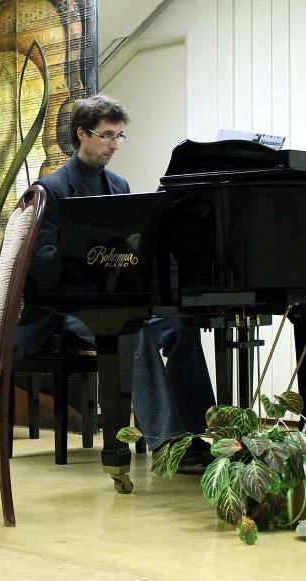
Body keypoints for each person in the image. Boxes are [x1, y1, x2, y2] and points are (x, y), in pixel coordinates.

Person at [14, 95, 216, 465]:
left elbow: (125, 252)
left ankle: (199, 432)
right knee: (129, 330)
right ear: (82, 134)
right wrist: (82, 255)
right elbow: (39, 265)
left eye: (119, 136)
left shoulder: (119, 185)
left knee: (180, 326)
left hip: (113, 300)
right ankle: (167, 444)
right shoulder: (52, 189)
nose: (114, 145)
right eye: (107, 135)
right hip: (65, 309)